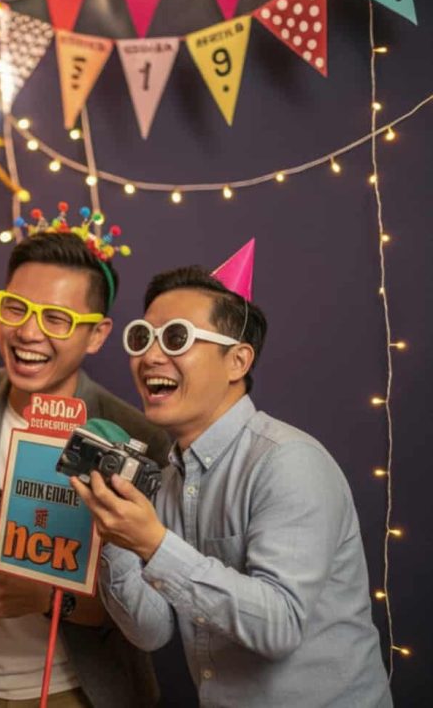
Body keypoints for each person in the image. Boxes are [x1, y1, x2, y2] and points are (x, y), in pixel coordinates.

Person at [72, 255, 391, 707]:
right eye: (142, 338)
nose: (150, 356)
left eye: (176, 338)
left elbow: (279, 625)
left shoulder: (288, 462)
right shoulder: (164, 479)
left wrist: (156, 545)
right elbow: (152, 632)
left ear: (237, 361)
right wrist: (117, 538)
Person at [0, 210, 169, 708]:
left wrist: (48, 599)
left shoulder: (135, 435)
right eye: (15, 308)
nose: (28, 332)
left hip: (78, 690)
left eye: (56, 319)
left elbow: (156, 606)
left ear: (98, 334)